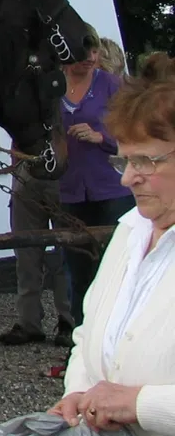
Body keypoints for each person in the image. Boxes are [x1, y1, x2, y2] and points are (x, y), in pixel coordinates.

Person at [51, 52, 175, 436]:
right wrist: (80, 392)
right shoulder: (130, 228)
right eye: (126, 160)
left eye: (147, 161)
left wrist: (139, 404)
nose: (128, 178)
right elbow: (87, 334)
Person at [59, 38, 136, 325]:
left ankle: (120, 334)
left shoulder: (113, 85)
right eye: (83, 51)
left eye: (93, 51)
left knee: (116, 267)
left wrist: (101, 137)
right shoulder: (53, 87)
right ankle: (81, 340)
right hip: (70, 189)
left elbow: (135, 134)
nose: (90, 57)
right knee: (78, 271)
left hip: (111, 188)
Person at [0, 157, 77, 347]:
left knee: (66, 252)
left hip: (64, 167)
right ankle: (28, 321)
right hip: (27, 167)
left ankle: (69, 320)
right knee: (26, 253)